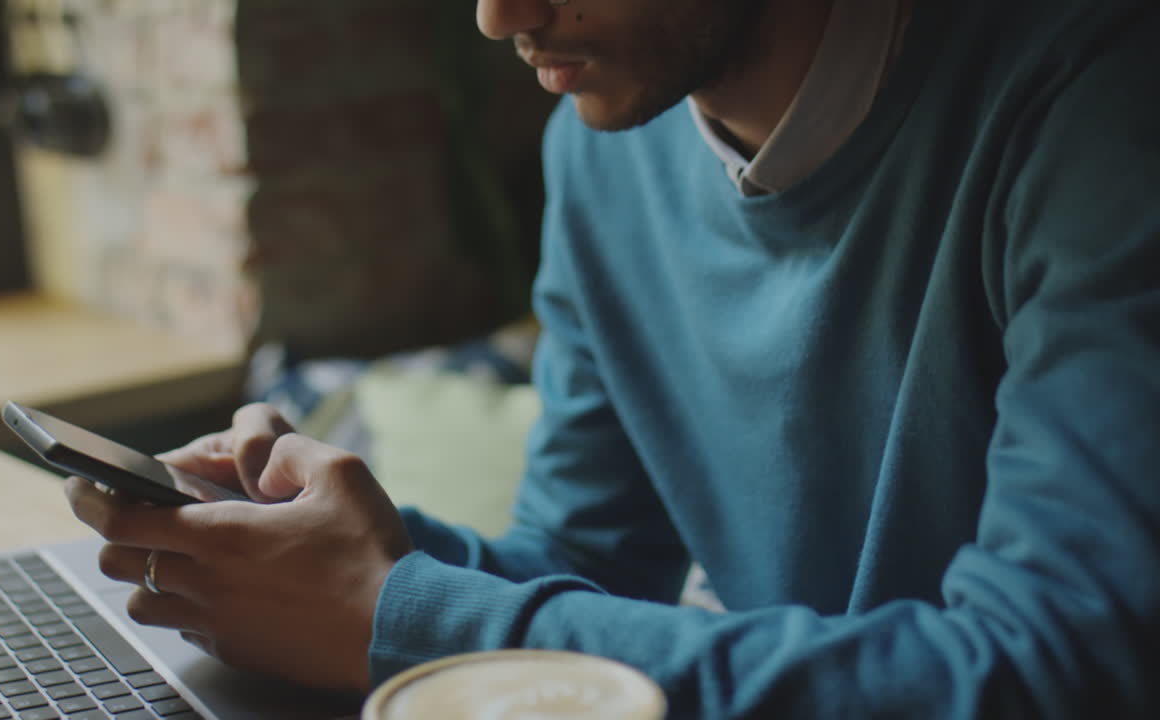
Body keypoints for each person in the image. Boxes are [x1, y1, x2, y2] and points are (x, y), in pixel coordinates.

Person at [65, 0, 1160, 716]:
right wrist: (345, 552)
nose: (499, 16)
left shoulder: (1097, 104)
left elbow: (1054, 676)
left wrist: (391, 615)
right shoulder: (603, 161)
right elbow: (587, 567)